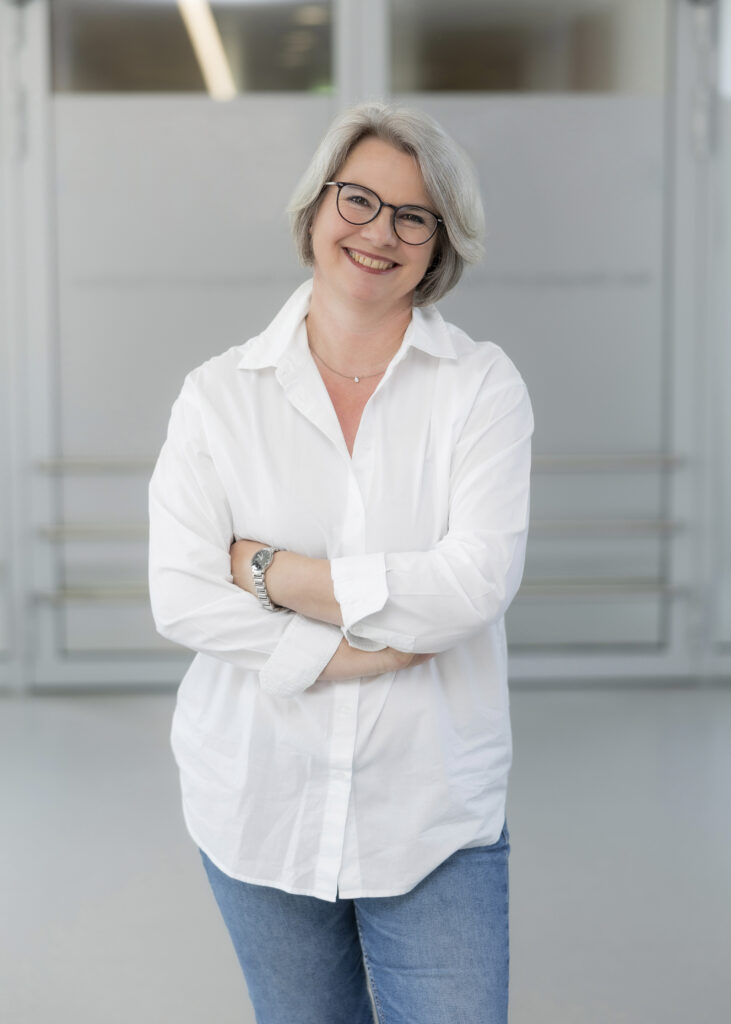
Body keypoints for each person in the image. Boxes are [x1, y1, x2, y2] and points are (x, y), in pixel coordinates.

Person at [149, 102, 533, 1024]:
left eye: (413, 216)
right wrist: (352, 652)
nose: (378, 232)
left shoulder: (481, 389)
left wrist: (273, 574)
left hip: (430, 815)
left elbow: (473, 584)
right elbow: (180, 595)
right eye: (357, 199)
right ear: (317, 207)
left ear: (439, 245)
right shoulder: (218, 396)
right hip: (258, 803)